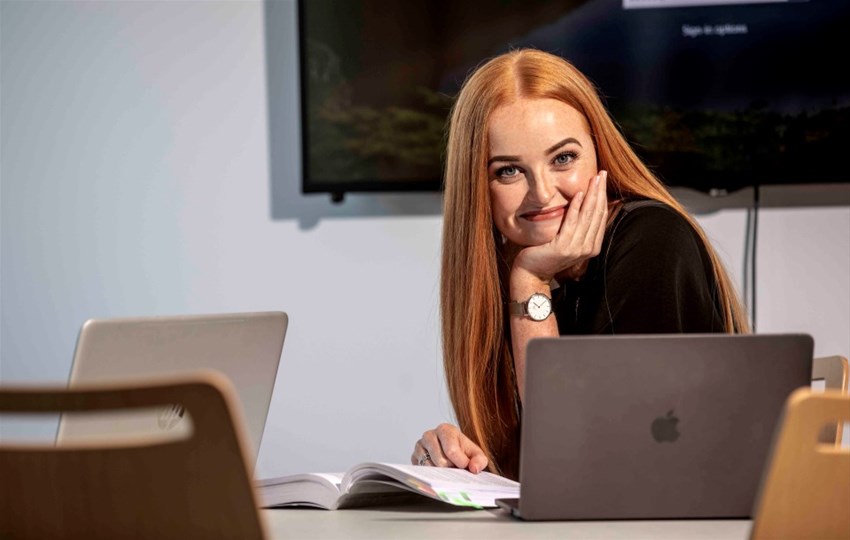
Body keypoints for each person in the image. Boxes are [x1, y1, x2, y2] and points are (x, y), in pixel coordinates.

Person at [410, 49, 749, 480]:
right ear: (479, 186)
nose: (542, 193)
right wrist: (455, 460)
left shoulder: (652, 239)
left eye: (563, 158)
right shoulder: (506, 264)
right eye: (509, 171)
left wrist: (530, 282)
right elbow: (532, 472)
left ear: (599, 154)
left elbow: (585, 460)